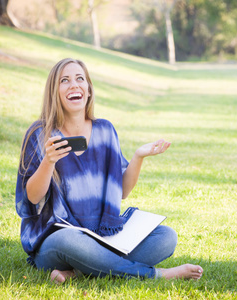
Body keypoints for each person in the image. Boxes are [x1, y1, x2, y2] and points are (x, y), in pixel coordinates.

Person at [15, 58, 203, 283]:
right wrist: (48, 162)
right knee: (70, 240)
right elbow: (32, 198)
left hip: (103, 237)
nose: (74, 85)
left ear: (89, 89)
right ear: (53, 91)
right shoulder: (39, 133)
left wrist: (138, 157)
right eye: (64, 80)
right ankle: (157, 275)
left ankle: (77, 273)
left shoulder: (105, 130)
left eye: (80, 79)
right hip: (57, 241)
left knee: (166, 237)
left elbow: (121, 191)